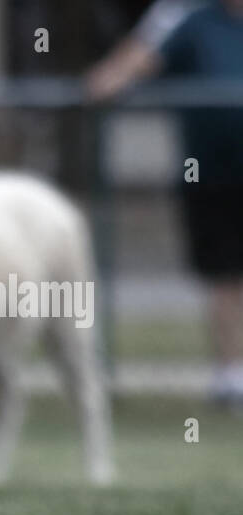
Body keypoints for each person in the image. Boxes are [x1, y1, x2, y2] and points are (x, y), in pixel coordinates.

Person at [87, 0, 243, 406]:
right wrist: (112, 78)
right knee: (225, 274)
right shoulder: (191, 20)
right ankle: (232, 376)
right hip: (211, 174)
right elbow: (123, 71)